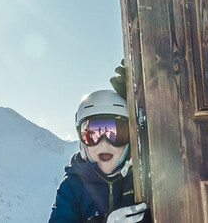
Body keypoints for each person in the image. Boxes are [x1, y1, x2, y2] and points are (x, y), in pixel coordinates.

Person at [48, 89, 148, 223]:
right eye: (93, 134)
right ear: (82, 140)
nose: (104, 143)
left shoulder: (141, 177)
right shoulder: (72, 187)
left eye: (116, 133)